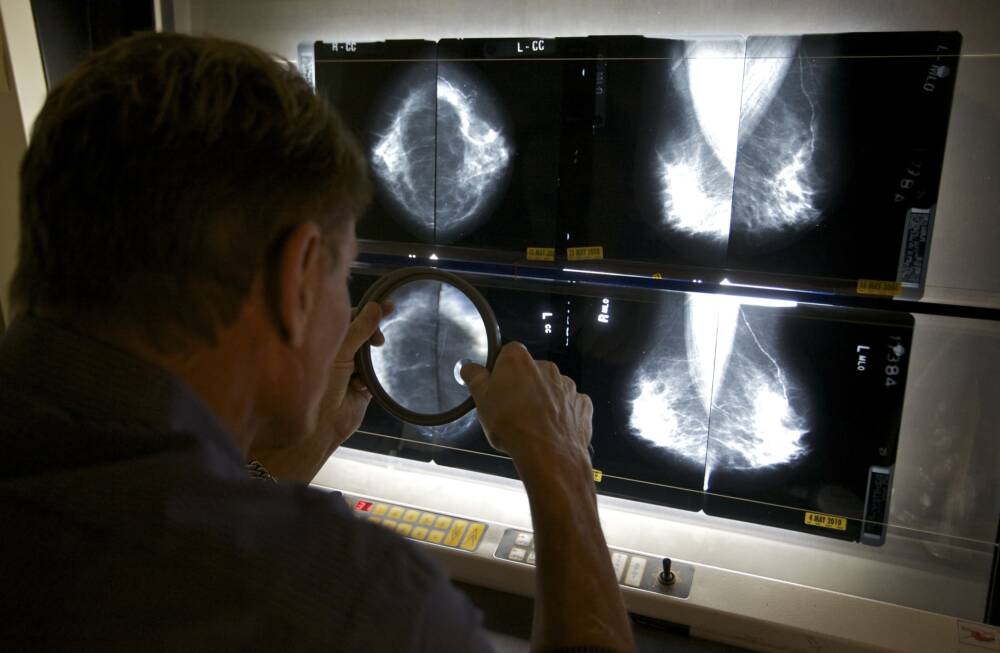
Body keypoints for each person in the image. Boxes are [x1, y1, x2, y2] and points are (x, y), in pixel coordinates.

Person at [0, 32, 635, 652]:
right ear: (297, 276)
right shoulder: (359, 604)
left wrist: (304, 449)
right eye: (344, 274)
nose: (348, 318)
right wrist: (561, 466)